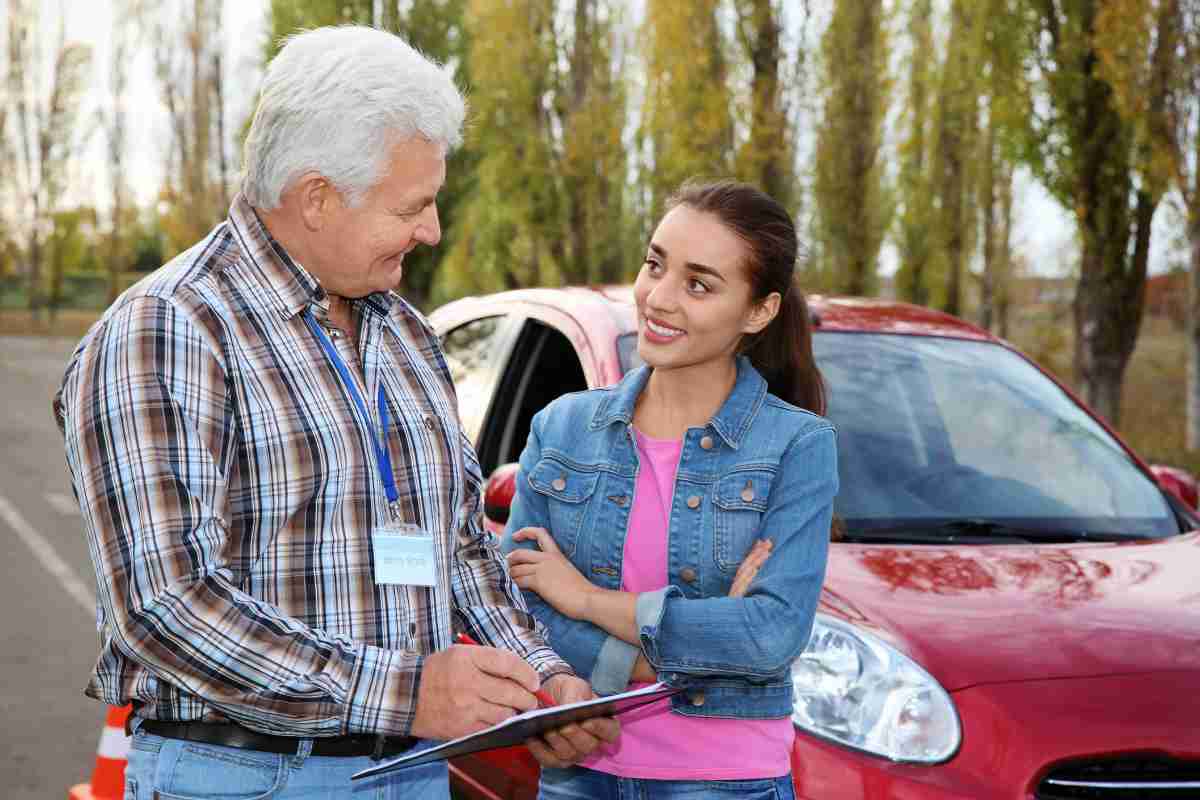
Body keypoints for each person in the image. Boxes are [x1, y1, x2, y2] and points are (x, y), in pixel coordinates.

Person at [55, 25, 615, 799]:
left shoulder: (407, 333)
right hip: (246, 776)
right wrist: (409, 692)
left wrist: (541, 682)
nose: (432, 231)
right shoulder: (171, 330)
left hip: (411, 771)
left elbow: (461, 555)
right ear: (316, 196)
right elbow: (165, 609)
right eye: (412, 206)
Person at [501, 180, 838, 799]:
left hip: (724, 781)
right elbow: (513, 605)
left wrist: (584, 599)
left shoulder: (796, 446)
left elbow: (768, 636)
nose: (658, 298)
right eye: (655, 264)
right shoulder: (562, 427)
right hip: (581, 774)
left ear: (758, 311)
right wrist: (665, 653)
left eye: (698, 284)